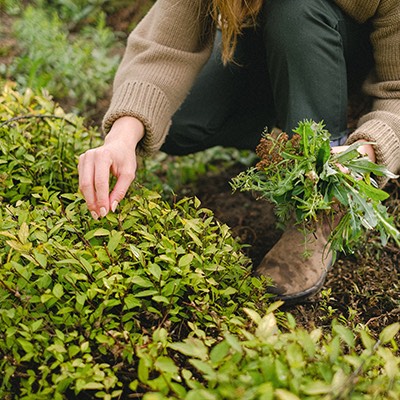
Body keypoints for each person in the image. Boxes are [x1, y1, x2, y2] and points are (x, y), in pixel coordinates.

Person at [78, 0, 400, 303]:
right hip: (273, 44)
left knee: (295, 11)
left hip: (340, 50)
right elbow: (164, 45)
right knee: (179, 117)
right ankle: (287, 133)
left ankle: (319, 200)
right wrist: (121, 137)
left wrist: (365, 152)